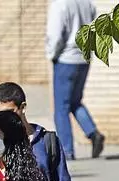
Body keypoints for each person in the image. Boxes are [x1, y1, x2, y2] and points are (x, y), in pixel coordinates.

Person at [46, 0, 105, 160]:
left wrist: (51, 54)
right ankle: (93, 133)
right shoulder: (87, 3)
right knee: (75, 102)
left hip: (66, 58)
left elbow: (55, 35)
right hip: (84, 58)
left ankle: (67, 151)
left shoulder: (60, 4)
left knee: (61, 108)